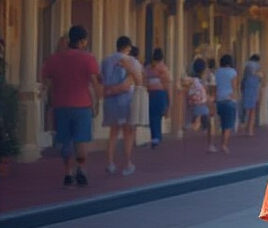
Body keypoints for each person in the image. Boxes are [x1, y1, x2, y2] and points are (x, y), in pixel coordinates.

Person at [40, 25, 101, 188]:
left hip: (61, 104)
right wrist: (98, 102)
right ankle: (81, 168)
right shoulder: (89, 59)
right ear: (81, 41)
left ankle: (68, 172)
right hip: (82, 105)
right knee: (81, 141)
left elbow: (45, 80)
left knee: (66, 141)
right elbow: (95, 83)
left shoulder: (54, 59)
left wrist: (45, 97)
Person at [101, 36, 142, 175]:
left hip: (110, 101)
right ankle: (127, 163)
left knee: (113, 132)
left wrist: (109, 91)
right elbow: (135, 81)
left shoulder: (106, 61)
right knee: (128, 133)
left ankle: (109, 162)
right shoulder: (131, 61)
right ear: (128, 48)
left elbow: (102, 79)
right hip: (125, 101)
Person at [144, 48, 171, 149]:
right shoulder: (163, 68)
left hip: (151, 93)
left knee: (152, 115)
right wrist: (169, 100)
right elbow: (167, 84)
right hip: (160, 92)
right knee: (159, 115)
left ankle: (154, 136)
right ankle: (157, 136)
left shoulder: (148, 68)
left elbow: (145, 81)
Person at [214, 54, 238, 153]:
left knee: (221, 122)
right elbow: (234, 86)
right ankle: (224, 144)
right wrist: (235, 97)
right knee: (227, 125)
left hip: (219, 99)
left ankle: (220, 142)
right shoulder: (232, 72)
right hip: (229, 99)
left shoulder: (217, 72)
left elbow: (216, 85)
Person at [184, 58, 212, 143]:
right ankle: (210, 143)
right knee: (209, 122)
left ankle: (195, 126)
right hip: (199, 105)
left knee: (199, 120)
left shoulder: (197, 81)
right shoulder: (196, 81)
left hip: (193, 105)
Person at [240, 53, 263, 132]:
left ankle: (245, 125)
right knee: (252, 110)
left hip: (247, 88)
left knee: (246, 109)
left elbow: (244, 78)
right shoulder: (257, 67)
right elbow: (261, 79)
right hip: (254, 88)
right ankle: (250, 129)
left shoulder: (247, 66)